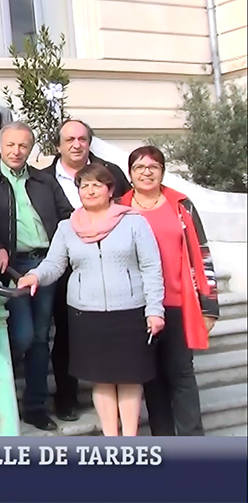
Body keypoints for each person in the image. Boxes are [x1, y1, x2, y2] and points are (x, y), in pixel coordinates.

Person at [18, 163, 165, 436]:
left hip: (130, 310)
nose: (90, 190)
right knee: (102, 379)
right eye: (84, 185)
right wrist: (35, 276)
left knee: (130, 378)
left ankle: (129, 440)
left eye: (97, 184)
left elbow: (151, 267)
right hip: (87, 313)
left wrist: (155, 310)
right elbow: (54, 263)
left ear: (111, 190)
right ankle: (111, 438)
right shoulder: (67, 227)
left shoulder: (133, 222)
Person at [0, 122, 74, 431]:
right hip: (11, 267)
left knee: (41, 337)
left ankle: (34, 405)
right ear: (0, 147)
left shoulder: (44, 182)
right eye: (11, 145)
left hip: (45, 263)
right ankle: (0, 370)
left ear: (30, 148)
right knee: (23, 334)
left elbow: (67, 218)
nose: (17, 151)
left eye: (23, 146)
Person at [120, 145, 218, 436]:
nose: (146, 172)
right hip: (137, 306)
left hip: (177, 302)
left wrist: (208, 305)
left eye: (153, 166)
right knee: (151, 377)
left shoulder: (181, 205)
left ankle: (192, 440)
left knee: (181, 373)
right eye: (140, 167)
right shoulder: (119, 208)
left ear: (162, 171)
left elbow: (202, 254)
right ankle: (163, 441)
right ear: (130, 174)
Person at [41, 119, 131, 421]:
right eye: (69, 139)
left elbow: (129, 209)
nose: (76, 144)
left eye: (82, 138)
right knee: (66, 335)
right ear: (58, 145)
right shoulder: (41, 179)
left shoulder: (111, 174)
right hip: (65, 269)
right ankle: (66, 397)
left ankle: (117, 393)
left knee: (113, 334)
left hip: (113, 269)